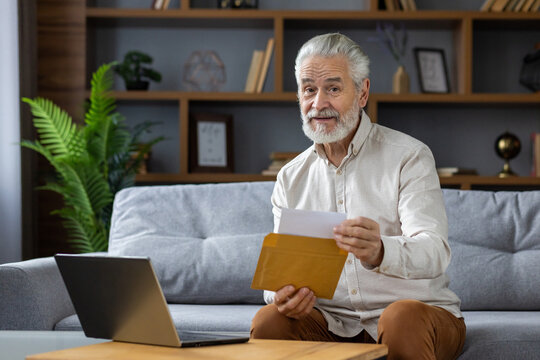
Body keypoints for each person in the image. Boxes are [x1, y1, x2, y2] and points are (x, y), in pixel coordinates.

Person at [250, 33, 466, 360]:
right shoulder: (290, 177)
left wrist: (382, 250)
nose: (318, 103)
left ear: (362, 92)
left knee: (400, 318)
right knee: (270, 321)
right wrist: (280, 295)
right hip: (331, 321)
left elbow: (436, 251)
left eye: (333, 89)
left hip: (419, 315)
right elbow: (280, 275)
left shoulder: (409, 156)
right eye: (309, 89)